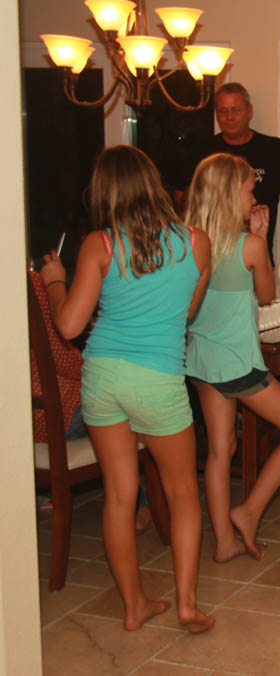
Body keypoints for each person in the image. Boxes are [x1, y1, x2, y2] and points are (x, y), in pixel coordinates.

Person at [38, 145, 214, 633]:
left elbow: (71, 325)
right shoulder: (196, 243)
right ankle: (185, 605)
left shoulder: (100, 244)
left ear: (106, 192)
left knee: (120, 495)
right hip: (156, 376)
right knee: (182, 492)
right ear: (153, 183)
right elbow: (188, 312)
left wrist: (55, 281)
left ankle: (134, 606)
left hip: (104, 376)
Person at [185, 153, 280, 562]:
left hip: (201, 359)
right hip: (236, 364)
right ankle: (249, 511)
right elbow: (266, 295)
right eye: (247, 188)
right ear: (228, 195)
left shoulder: (188, 240)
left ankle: (223, 541)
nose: (253, 195)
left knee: (221, 448)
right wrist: (260, 234)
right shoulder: (250, 245)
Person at [28, 269, 153, 533]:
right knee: (120, 402)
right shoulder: (34, 284)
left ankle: (137, 502)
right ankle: (139, 505)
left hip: (26, 415)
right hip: (54, 416)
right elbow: (63, 359)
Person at [183, 83, 280, 261]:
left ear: (250, 111)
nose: (229, 117)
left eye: (236, 110)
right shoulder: (203, 151)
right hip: (209, 255)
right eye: (222, 111)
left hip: (257, 251)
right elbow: (184, 199)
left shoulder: (275, 149)